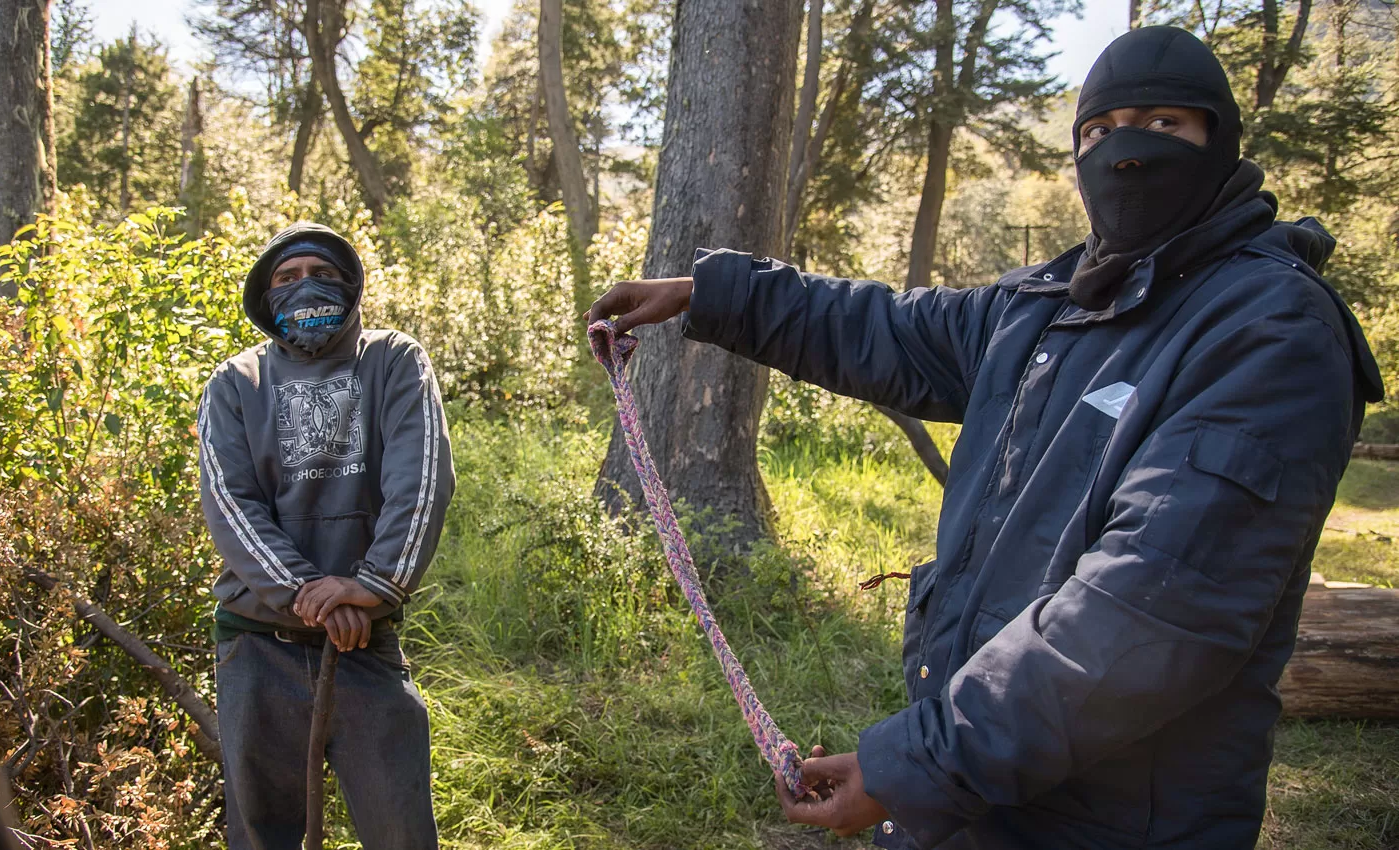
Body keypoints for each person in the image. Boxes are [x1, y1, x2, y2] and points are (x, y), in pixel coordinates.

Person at [587, 26, 1383, 850]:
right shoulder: (1048, 306)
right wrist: (708, 293)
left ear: (1218, 141)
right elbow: (884, 329)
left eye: (1162, 125)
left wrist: (920, 766)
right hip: (981, 791)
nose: (1126, 152)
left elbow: (1150, 610)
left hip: (1118, 818)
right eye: (1100, 133)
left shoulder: (1269, 331)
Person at [198, 222, 455, 850]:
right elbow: (230, 504)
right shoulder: (236, 383)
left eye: (322, 274)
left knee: (401, 830)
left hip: (366, 641)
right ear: (266, 296)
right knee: (263, 832)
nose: (305, 286)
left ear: (350, 286)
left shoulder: (393, 360)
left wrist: (373, 585)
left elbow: (422, 478)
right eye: (286, 278)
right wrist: (309, 594)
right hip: (258, 645)